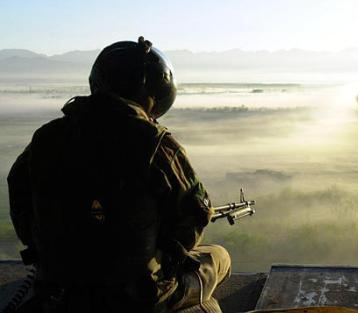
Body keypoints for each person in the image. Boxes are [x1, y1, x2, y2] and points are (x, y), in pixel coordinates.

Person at [8, 36, 231, 313]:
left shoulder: (46, 137)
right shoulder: (156, 143)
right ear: (152, 90)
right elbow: (194, 217)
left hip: (61, 291)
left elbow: (19, 200)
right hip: (136, 299)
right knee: (220, 257)